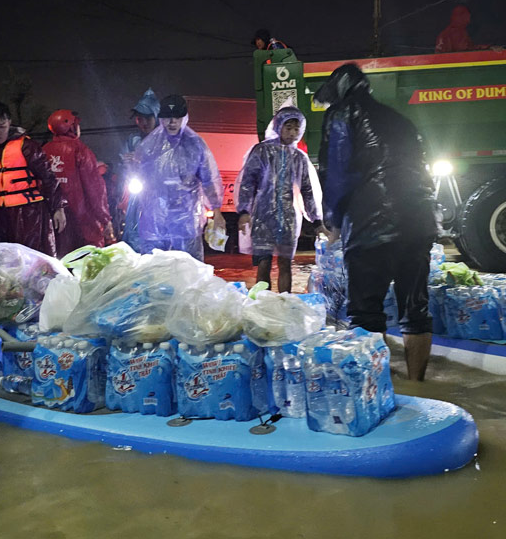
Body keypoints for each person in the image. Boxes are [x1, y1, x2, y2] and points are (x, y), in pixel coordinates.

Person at [315, 64, 439, 381]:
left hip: (371, 225)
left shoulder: (342, 114)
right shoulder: (400, 120)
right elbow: (424, 172)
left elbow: (336, 173)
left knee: (365, 313)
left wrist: (334, 220)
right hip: (418, 223)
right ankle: (419, 385)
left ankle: (378, 388)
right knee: (416, 310)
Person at [236, 106, 328, 293]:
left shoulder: (299, 158)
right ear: (279, 126)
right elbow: (248, 182)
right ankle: (262, 303)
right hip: (263, 216)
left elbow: (307, 189)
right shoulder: (262, 151)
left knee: (286, 263)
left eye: (296, 128)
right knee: (264, 262)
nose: (293, 133)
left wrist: (317, 221)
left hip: (288, 218)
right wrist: (244, 211)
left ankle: (284, 304)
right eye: (288, 127)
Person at [0, 102, 66, 256]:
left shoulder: (27, 146)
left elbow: (48, 177)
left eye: (2, 126)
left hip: (30, 214)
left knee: (32, 261)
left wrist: (58, 208)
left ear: (9, 123)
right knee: (0, 263)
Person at [133, 94, 223, 261]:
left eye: (177, 117)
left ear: (185, 118)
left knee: (189, 268)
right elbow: (140, 177)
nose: (172, 122)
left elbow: (209, 178)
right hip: (156, 217)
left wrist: (217, 211)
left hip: (186, 217)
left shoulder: (195, 144)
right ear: (161, 119)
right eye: (167, 118)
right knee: (154, 266)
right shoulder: (150, 145)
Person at [42, 109, 113, 255]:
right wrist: (105, 218)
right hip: (83, 219)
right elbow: (95, 188)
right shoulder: (80, 150)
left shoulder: (43, 150)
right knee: (88, 262)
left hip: (53, 218)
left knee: (60, 263)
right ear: (72, 127)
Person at [117, 88, 160, 251]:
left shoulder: (163, 140)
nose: (143, 122)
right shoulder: (133, 140)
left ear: (156, 117)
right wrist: (127, 164)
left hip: (158, 198)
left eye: (147, 118)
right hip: (137, 195)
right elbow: (122, 169)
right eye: (139, 118)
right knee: (133, 233)